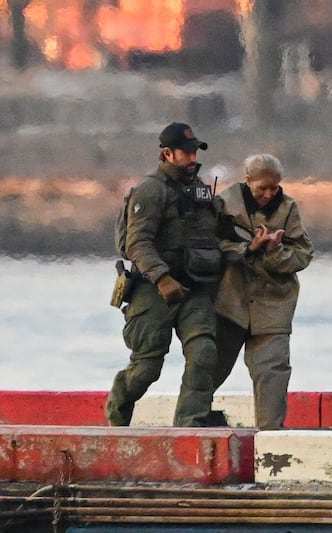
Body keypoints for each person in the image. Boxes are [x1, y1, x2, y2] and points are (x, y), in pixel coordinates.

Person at [105, 122, 222, 427]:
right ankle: (117, 412)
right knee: (147, 367)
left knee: (204, 353)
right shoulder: (150, 190)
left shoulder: (200, 191)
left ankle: (190, 426)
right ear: (167, 154)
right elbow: (137, 243)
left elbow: (216, 234)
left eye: (195, 151)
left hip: (193, 287)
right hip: (151, 289)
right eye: (186, 153)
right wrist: (162, 278)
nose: (193, 158)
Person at [212, 153, 314, 430]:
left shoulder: (289, 209)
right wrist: (248, 249)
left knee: (272, 372)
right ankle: (190, 425)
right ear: (247, 181)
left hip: (273, 304)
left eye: (275, 188)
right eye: (262, 189)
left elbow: (303, 255)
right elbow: (211, 247)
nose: (269, 194)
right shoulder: (223, 204)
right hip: (230, 302)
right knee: (208, 369)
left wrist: (274, 250)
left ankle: (271, 436)